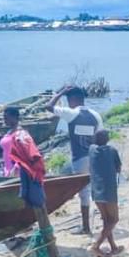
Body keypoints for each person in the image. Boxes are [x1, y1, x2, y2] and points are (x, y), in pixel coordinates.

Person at [45, 86, 102, 233]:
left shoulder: (71, 113)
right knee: (92, 190)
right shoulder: (95, 115)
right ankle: (98, 220)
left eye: (68, 100)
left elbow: (49, 106)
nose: (68, 103)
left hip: (79, 159)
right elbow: (99, 137)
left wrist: (60, 93)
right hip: (94, 156)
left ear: (73, 99)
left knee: (83, 193)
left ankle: (86, 227)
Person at [89, 130, 122, 257]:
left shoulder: (91, 150)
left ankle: (113, 247)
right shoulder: (112, 151)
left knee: (107, 221)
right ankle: (96, 246)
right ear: (107, 139)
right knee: (114, 219)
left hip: (95, 190)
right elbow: (118, 168)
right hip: (108, 190)